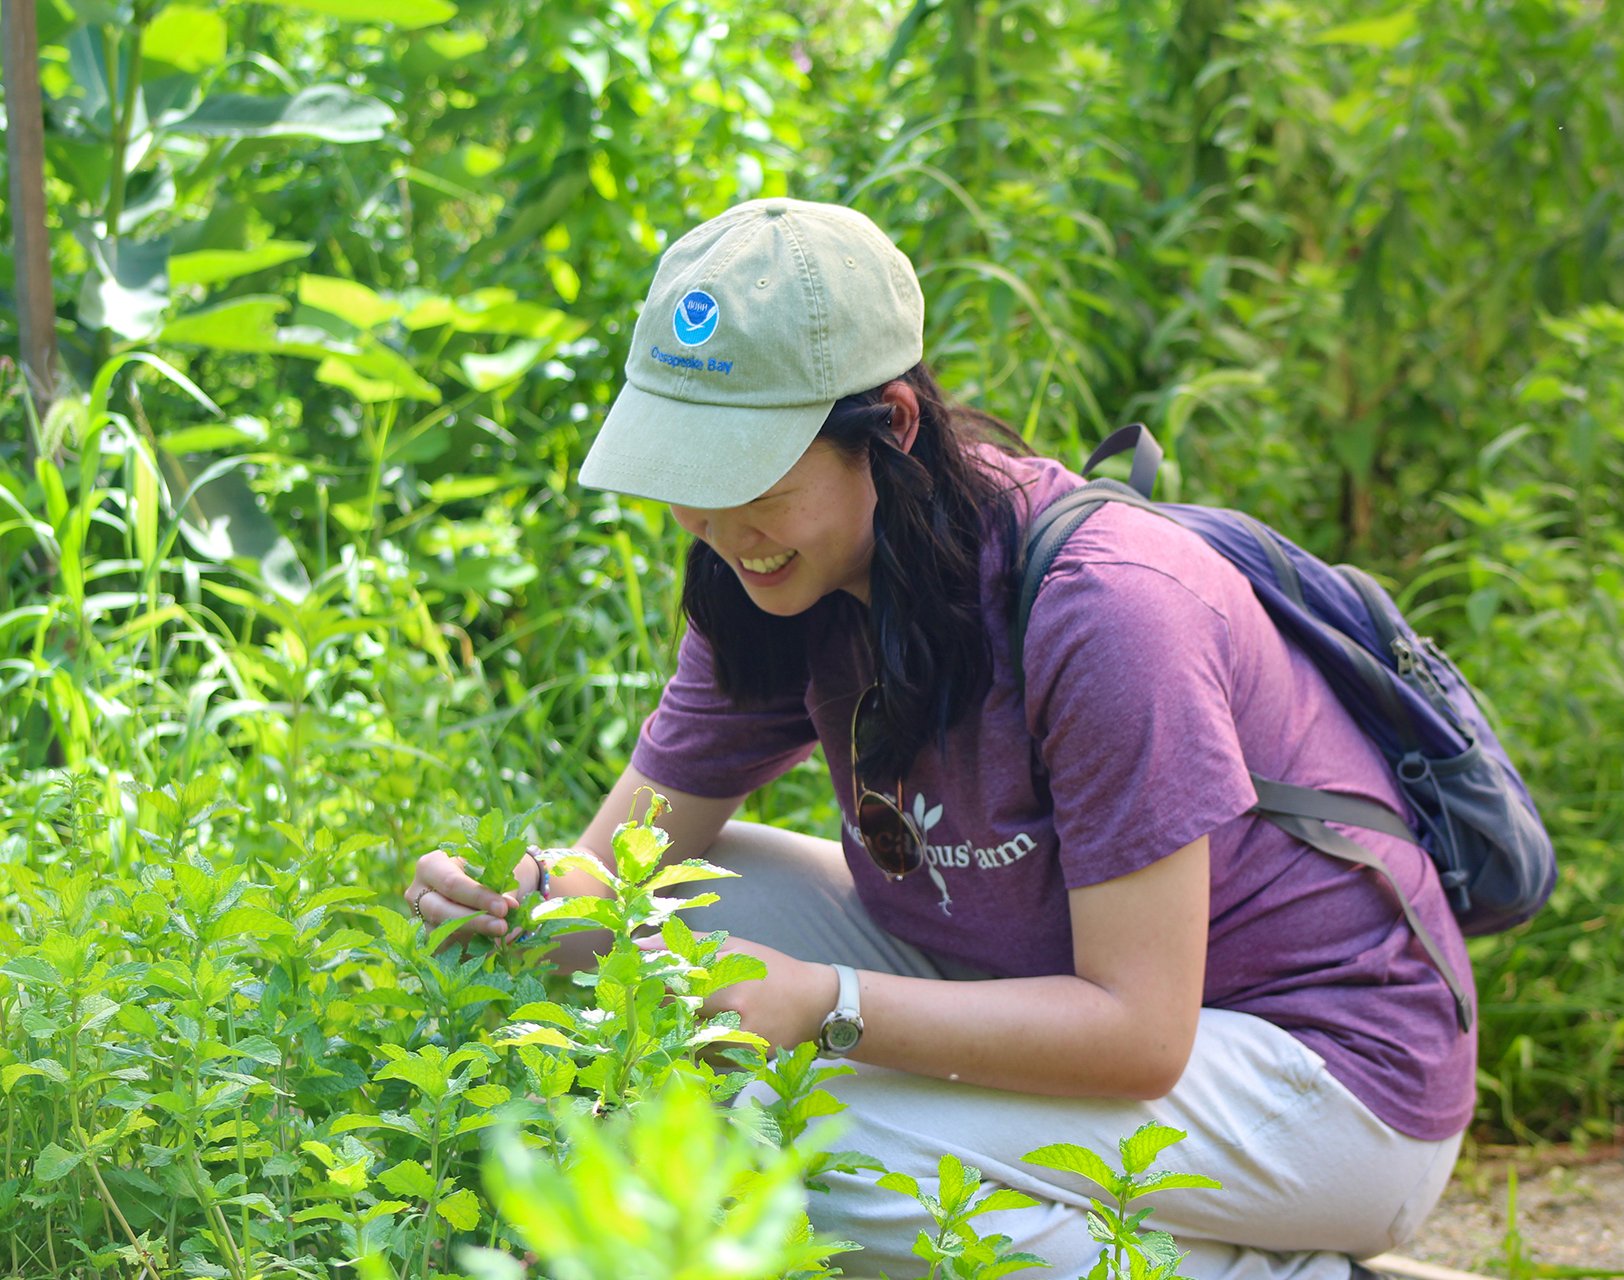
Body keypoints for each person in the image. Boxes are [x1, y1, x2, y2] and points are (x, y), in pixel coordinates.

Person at [406, 198, 1474, 1280]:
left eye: (753, 480)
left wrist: (827, 1006)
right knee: (662, 900)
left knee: (804, 1144)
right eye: (690, 479)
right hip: (1046, 978)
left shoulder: (1106, 610)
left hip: (1321, 1076)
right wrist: (513, 898)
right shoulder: (775, 579)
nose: (722, 529)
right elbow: (610, 880)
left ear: (895, 427)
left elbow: (1143, 1034)